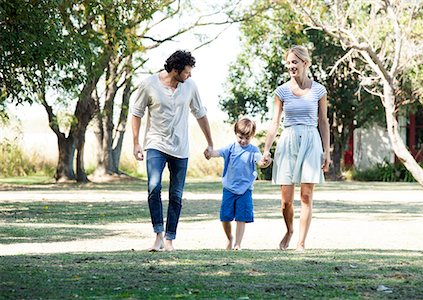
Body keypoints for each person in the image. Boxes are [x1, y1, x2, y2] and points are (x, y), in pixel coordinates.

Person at [131, 50, 213, 252]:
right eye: (187, 72)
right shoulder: (149, 84)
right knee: (154, 187)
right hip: (155, 144)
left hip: (180, 148)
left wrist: (210, 143)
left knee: (176, 195)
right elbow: (136, 113)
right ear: (175, 70)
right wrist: (135, 143)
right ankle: (158, 234)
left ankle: (170, 238)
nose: (190, 75)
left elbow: (200, 114)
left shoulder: (190, 86)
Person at [261, 45, 330, 252]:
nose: (291, 66)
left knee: (306, 196)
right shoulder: (281, 91)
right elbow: (274, 122)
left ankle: (301, 242)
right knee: (286, 202)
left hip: (311, 139)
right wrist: (266, 149)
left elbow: (324, 122)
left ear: (305, 63)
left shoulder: (319, 90)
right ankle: (289, 230)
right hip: (288, 139)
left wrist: (326, 151)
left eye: (295, 62)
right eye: (289, 63)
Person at [205, 118, 271, 250]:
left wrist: (266, 161)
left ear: (252, 136)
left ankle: (237, 244)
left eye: (247, 138)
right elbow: (218, 152)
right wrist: (210, 153)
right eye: (240, 137)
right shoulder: (230, 148)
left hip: (245, 190)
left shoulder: (253, 150)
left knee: (241, 217)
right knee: (225, 217)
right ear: (236, 133)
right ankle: (230, 238)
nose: (243, 140)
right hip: (229, 188)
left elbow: (261, 162)